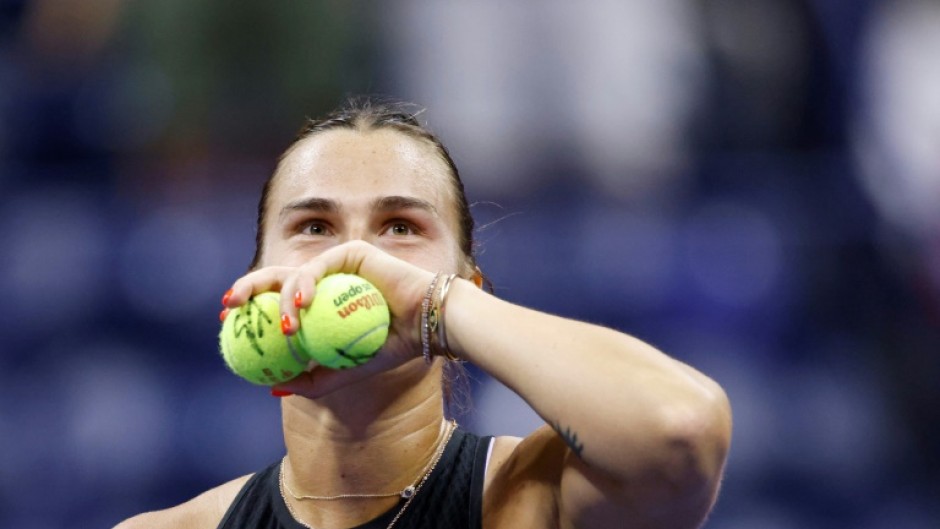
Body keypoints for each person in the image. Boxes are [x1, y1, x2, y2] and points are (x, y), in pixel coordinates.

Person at [115, 97, 732, 529]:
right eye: (314, 225)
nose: (352, 258)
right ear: (256, 278)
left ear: (469, 285)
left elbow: (679, 431)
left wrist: (437, 308)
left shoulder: (534, 501)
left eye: (401, 226)